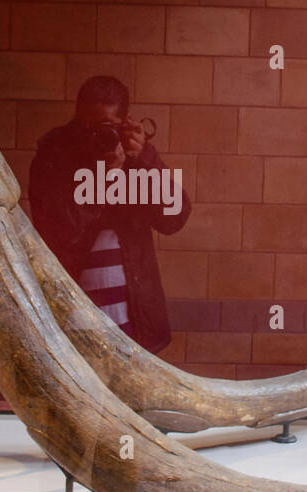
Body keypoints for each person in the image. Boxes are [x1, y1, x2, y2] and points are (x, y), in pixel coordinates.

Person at [29, 75, 190, 354]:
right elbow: (56, 231)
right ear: (76, 117)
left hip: (132, 317)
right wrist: (104, 178)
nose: (95, 136)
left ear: (126, 123)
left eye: (106, 128)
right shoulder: (55, 152)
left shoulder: (134, 156)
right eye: (86, 126)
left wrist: (145, 159)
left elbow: (173, 218)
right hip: (73, 317)